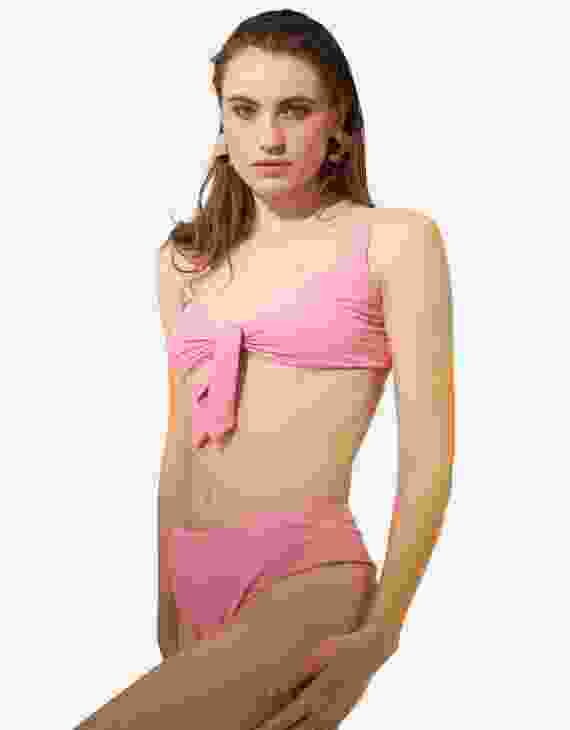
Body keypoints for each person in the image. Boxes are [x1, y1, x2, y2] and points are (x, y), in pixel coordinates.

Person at [76, 8, 454, 729]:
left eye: (296, 110)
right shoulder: (185, 261)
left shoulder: (395, 243)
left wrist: (383, 632)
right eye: (245, 110)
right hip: (191, 586)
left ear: (337, 124)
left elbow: (427, 457)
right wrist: (166, 598)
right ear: (221, 121)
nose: (269, 137)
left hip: (307, 580)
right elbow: (180, 444)